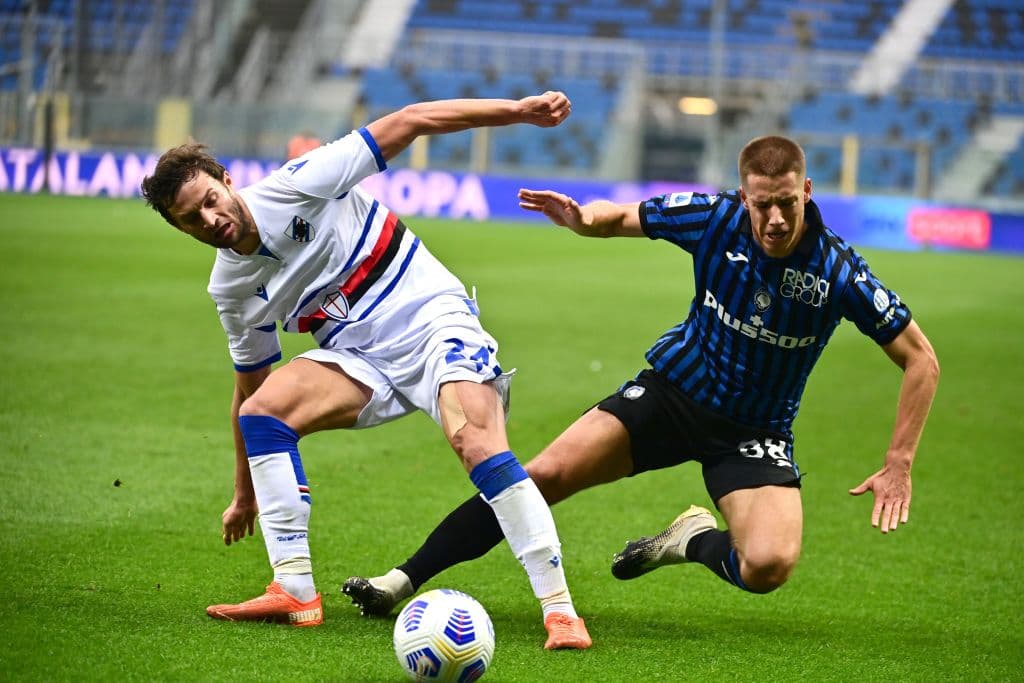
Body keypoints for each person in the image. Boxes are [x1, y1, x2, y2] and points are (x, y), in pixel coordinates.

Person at [342, 134, 939, 615]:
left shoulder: (837, 273)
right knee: (543, 473)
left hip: (754, 434)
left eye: (788, 202)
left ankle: (686, 542)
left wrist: (900, 462)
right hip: (671, 396)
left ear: (806, 192)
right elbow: (620, 217)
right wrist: (581, 219)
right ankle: (401, 580)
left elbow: (921, 359)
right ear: (744, 195)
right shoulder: (713, 218)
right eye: (763, 204)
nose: (776, 219)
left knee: (768, 567)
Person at [139, 91, 592, 650]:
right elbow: (250, 388)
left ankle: (560, 611)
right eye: (192, 219)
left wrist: (517, 113)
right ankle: (294, 589)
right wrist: (245, 491)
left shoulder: (298, 183)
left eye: (211, 199)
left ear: (227, 180)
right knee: (263, 413)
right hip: (358, 358)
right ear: (181, 229)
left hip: (433, 323)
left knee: (477, 446)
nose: (211, 218)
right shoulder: (229, 289)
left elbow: (411, 119)